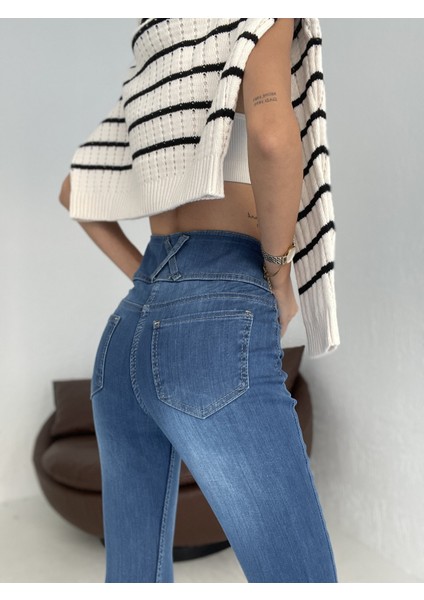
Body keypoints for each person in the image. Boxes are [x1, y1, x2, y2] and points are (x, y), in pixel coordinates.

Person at [59, 18, 340, 583]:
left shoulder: (157, 47)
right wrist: (278, 273)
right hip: (221, 307)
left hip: (127, 330)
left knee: (133, 580)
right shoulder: (257, 15)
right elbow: (271, 136)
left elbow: (75, 192)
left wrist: (156, 283)